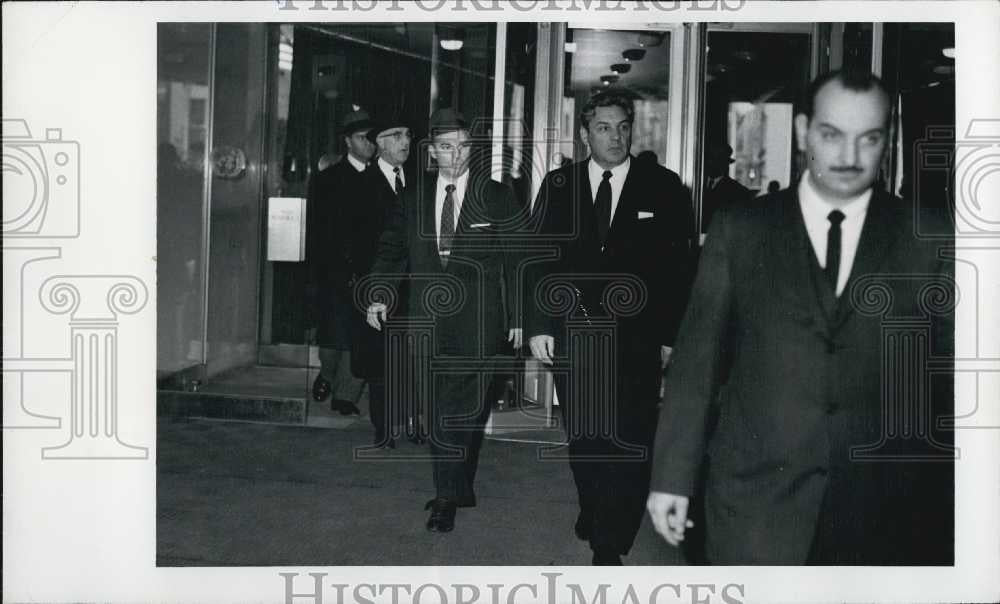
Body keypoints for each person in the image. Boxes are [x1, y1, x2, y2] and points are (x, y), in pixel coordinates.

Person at [646, 69, 954, 565]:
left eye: (868, 138)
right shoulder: (742, 230)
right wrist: (672, 478)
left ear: (888, 140)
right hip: (755, 497)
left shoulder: (929, 237)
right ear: (803, 131)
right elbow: (696, 362)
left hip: (886, 506)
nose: (849, 157)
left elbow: (957, 378)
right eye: (832, 135)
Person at [524, 91, 695, 565]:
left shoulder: (662, 186)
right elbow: (539, 260)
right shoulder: (560, 185)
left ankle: (610, 539)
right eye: (603, 128)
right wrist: (539, 324)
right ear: (584, 134)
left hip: (636, 340)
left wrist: (669, 337)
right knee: (584, 435)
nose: (615, 137)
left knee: (631, 437)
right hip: (574, 335)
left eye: (622, 127)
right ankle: (594, 505)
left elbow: (678, 270)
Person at [366, 108, 523, 532]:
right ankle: (451, 491)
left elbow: (517, 260)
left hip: (480, 322)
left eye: (464, 146)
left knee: (466, 412)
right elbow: (391, 252)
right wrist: (379, 295)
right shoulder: (413, 198)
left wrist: (520, 316)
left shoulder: (497, 196)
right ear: (433, 152)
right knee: (439, 412)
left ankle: (452, 490)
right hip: (427, 322)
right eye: (446, 147)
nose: (456, 154)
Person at [347, 118, 414, 448]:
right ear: (380, 144)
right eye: (396, 134)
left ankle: (414, 422)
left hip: (416, 288)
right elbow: (357, 246)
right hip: (380, 285)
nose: (405, 140)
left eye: (407, 135)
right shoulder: (362, 186)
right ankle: (384, 428)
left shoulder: (418, 182)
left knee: (413, 359)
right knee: (381, 363)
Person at [310, 109, 376, 415]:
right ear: (348, 142)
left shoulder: (382, 179)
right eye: (363, 138)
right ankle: (327, 374)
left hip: (369, 270)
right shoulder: (328, 180)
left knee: (358, 337)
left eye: (372, 138)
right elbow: (317, 230)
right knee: (333, 338)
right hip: (335, 270)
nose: (370, 144)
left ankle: (346, 395)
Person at [701, 142, 755, 232]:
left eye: (718, 160)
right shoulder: (696, 187)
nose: (712, 164)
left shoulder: (739, 192)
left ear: (725, 164)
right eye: (711, 160)